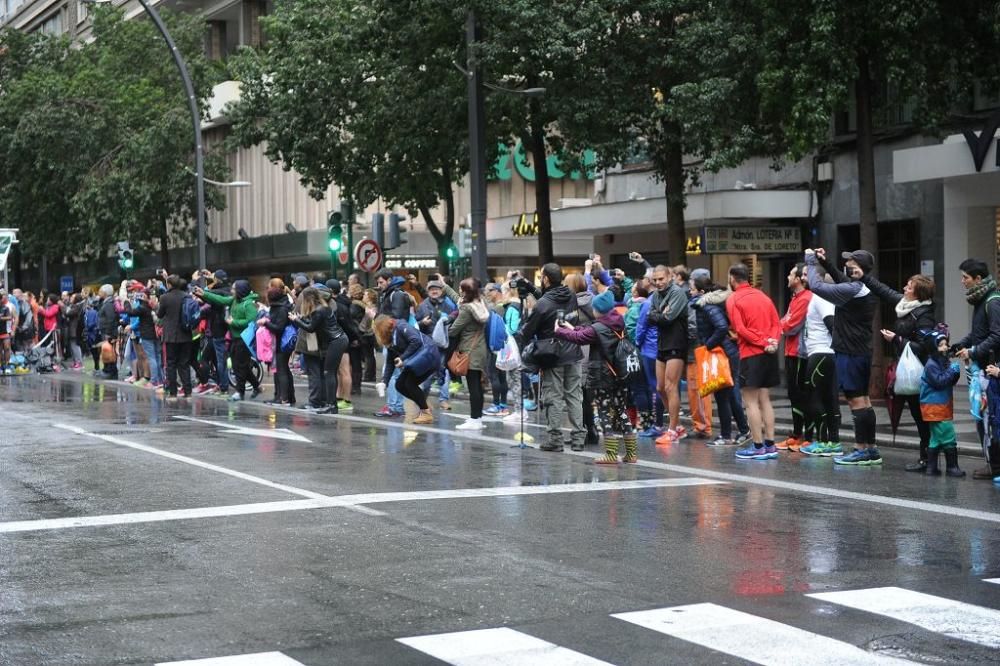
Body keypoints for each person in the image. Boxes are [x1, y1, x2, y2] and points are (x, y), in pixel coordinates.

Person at [806, 248, 882, 466]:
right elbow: (840, 278)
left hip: (851, 351)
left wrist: (811, 262)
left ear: (859, 268)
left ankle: (861, 448)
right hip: (859, 349)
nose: (846, 265)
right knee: (864, 400)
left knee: (856, 400)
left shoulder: (855, 289)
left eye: (850, 262)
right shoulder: (863, 286)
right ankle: (870, 448)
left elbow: (817, 286)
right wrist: (826, 261)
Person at [863, 271, 937, 470]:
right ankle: (928, 458)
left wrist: (896, 339)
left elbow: (924, 347)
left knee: (921, 417)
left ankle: (928, 459)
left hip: (918, 373)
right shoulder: (905, 305)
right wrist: (863, 276)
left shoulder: (924, 315)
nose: (904, 288)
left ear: (918, 294)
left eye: (909, 287)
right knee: (915, 414)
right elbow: (884, 291)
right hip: (905, 370)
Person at [555, 289, 638, 462]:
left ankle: (611, 454)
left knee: (604, 412)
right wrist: (572, 328)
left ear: (598, 310)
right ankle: (631, 453)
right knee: (621, 410)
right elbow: (586, 333)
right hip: (620, 374)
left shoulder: (598, 327)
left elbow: (580, 338)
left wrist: (560, 331)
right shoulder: (618, 321)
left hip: (603, 376)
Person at [514, 263, 584, 451]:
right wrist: (531, 289)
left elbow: (527, 331)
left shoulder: (542, 305)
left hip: (552, 356)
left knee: (553, 397)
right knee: (574, 396)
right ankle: (578, 439)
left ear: (545, 279)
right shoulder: (570, 295)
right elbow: (550, 302)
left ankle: (555, 439)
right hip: (574, 351)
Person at [726, 264, 782, 460]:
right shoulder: (763, 296)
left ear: (732, 278)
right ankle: (770, 444)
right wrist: (772, 341)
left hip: (751, 353)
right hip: (769, 353)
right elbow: (777, 323)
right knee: (765, 400)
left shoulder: (733, 299)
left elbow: (739, 329)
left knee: (750, 403)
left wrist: (761, 342)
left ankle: (758, 447)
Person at [953, 258, 1000, 481]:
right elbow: (979, 333)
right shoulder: (982, 300)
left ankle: (996, 465)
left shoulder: (992, 302)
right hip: (983, 369)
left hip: (991, 372)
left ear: (978, 279)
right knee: (984, 418)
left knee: (990, 419)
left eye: (966, 277)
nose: (963, 281)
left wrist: (973, 352)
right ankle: (992, 463)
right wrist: (962, 344)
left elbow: (997, 336)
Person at [691, 275, 750, 446]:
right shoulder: (708, 305)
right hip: (725, 352)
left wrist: (708, 345)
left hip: (724, 353)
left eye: (692, 289)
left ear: (702, 292)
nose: (690, 291)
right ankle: (739, 431)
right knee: (727, 394)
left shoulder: (708, 307)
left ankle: (730, 434)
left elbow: (721, 327)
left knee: (726, 394)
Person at [799, 264, 842, 457]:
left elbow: (831, 324)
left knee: (815, 397)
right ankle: (832, 441)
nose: (802, 277)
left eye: (806, 274)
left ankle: (825, 441)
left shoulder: (820, 297)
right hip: (823, 353)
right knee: (827, 397)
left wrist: (838, 349)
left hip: (821, 353)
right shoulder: (821, 296)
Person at [196, 279, 261, 402]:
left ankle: (239, 392)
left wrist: (234, 322)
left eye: (234, 289)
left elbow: (251, 322)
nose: (231, 291)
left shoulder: (249, 304)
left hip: (244, 339)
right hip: (234, 338)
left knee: (239, 366)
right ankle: (256, 386)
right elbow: (220, 300)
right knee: (239, 366)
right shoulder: (234, 300)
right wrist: (204, 294)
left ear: (240, 291)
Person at [645, 265, 689, 445]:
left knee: (671, 387)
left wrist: (657, 315)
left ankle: (672, 430)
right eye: (655, 280)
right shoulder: (656, 295)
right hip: (662, 344)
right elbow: (651, 316)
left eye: (661, 279)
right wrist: (657, 315)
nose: (658, 283)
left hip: (677, 343)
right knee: (660, 387)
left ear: (670, 277)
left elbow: (667, 318)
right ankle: (677, 426)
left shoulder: (677, 293)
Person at [289, 286, 348, 414]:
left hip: (335, 341)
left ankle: (332, 405)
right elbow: (314, 323)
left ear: (308, 299)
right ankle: (330, 404)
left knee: (329, 372)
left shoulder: (319, 311)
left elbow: (310, 328)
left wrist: (296, 320)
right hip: (339, 339)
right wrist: (301, 318)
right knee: (329, 372)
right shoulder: (324, 308)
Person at [373, 315, 439, 424]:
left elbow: (416, 341)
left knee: (409, 384)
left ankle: (426, 413)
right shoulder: (390, 337)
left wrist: (402, 358)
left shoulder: (401, 327)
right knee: (400, 385)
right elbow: (390, 361)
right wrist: (384, 382)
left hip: (428, 357)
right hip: (417, 360)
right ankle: (424, 406)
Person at [919, 325, 965, 477]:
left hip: (940, 405)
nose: (945, 347)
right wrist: (952, 371)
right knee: (948, 435)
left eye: (946, 344)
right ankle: (952, 467)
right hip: (935, 406)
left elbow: (948, 381)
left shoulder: (940, 362)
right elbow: (939, 382)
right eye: (941, 345)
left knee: (936, 439)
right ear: (933, 347)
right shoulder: (931, 365)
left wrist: (954, 373)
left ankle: (931, 468)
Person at [777, 264, 814, 451]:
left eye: (791, 274)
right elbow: (785, 320)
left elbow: (790, 325)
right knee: (794, 395)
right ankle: (797, 434)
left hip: (801, 353)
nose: (788, 277)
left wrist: (780, 326)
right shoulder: (796, 298)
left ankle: (806, 436)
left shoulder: (806, 298)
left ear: (799, 279)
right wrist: (781, 324)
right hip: (792, 352)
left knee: (802, 395)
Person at [448, 278, 492, 430]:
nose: (459, 291)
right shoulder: (481, 304)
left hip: (469, 350)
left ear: (467, 292)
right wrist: (445, 286)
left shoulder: (467, 310)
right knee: (477, 385)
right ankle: (478, 418)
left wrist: (447, 324)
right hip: (480, 348)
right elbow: (458, 300)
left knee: (473, 385)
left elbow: (454, 329)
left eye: (461, 289)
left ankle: (474, 420)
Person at [565, 272, 600, 446]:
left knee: (579, 393)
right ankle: (591, 429)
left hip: (578, 347)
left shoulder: (571, 304)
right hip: (592, 347)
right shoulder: (593, 300)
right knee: (587, 393)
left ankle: (584, 430)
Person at [680, 266, 713, 438]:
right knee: (704, 389)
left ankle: (702, 425)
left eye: (692, 285)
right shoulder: (711, 299)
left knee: (697, 390)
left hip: (696, 351)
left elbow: (692, 327)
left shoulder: (696, 303)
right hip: (705, 350)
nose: (690, 289)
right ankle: (703, 424)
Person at [415, 279, 457, 411]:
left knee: (443, 371)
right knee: (428, 374)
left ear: (441, 291)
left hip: (444, 345)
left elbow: (455, 322)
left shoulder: (448, 306)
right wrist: (422, 323)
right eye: (431, 289)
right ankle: (423, 398)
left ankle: (444, 400)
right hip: (428, 345)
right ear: (427, 292)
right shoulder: (422, 306)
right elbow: (414, 327)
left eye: (437, 289)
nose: (434, 291)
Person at [374, 268, 411, 417]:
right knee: (394, 371)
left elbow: (396, 317)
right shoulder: (390, 294)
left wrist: (376, 316)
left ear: (389, 280)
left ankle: (395, 407)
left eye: (381, 282)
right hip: (392, 337)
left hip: (396, 339)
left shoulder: (396, 295)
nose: (379, 284)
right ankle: (395, 406)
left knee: (394, 372)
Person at [156, 275, 195, 399]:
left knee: (171, 364)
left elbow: (160, 314)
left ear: (169, 285)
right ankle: (188, 392)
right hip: (186, 334)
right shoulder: (187, 296)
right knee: (184, 364)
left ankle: (173, 392)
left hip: (171, 335)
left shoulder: (164, 297)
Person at [121, 285, 162, 388]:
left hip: (147, 335)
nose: (136, 295)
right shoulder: (152, 305)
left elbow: (130, 312)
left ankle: (154, 381)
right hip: (155, 334)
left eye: (139, 293)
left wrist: (126, 302)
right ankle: (160, 380)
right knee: (157, 357)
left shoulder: (143, 307)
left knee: (151, 357)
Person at [262, 286, 296, 406]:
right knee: (284, 370)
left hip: (281, 343)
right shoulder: (281, 306)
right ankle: (286, 397)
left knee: (281, 370)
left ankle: (283, 398)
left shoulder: (280, 309)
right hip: (281, 343)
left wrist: (266, 323)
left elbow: (279, 328)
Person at [97, 284, 119, 379]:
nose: (99, 292)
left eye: (101, 290)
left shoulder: (109, 304)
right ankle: (106, 369)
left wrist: (108, 333)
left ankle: (111, 371)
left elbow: (111, 319)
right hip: (105, 331)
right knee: (105, 352)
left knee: (110, 352)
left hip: (109, 332)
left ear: (105, 292)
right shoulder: (105, 302)